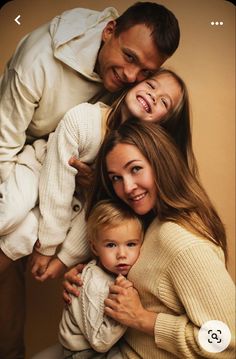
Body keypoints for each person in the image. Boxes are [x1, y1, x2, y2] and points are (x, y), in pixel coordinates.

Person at [0, 3, 180, 357]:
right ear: (109, 31)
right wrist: (43, 237)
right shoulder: (40, 65)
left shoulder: (134, 124)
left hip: (62, 202)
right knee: (13, 219)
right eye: (128, 57)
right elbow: (5, 143)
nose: (132, 76)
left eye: (146, 71)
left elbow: (103, 207)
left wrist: (63, 256)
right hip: (18, 161)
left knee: (20, 238)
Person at [64, 120, 235, 358]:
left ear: (161, 164)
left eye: (135, 169)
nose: (128, 187)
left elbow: (225, 342)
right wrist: (89, 281)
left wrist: (143, 319)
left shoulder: (182, 242)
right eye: (116, 178)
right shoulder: (149, 218)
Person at [26, 67, 193, 282]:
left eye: (164, 102)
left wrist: (64, 259)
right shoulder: (86, 122)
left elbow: (100, 212)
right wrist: (55, 250)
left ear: (164, 124)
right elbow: (64, 188)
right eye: (151, 85)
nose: (153, 95)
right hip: (34, 174)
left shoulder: (175, 230)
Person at [32, 199, 143, 359]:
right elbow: (100, 342)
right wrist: (128, 310)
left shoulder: (112, 272)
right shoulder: (94, 282)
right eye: (111, 245)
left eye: (131, 244)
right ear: (94, 248)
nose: (122, 254)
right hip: (85, 354)